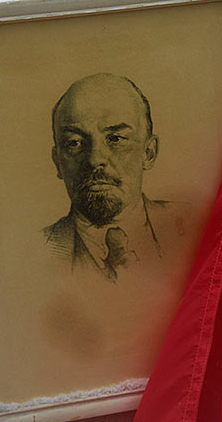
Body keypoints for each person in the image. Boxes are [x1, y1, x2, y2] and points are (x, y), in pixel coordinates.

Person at [42, 73, 189, 281]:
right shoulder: (35, 255)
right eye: (74, 142)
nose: (94, 159)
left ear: (148, 153)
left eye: (115, 139)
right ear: (58, 162)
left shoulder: (194, 227)